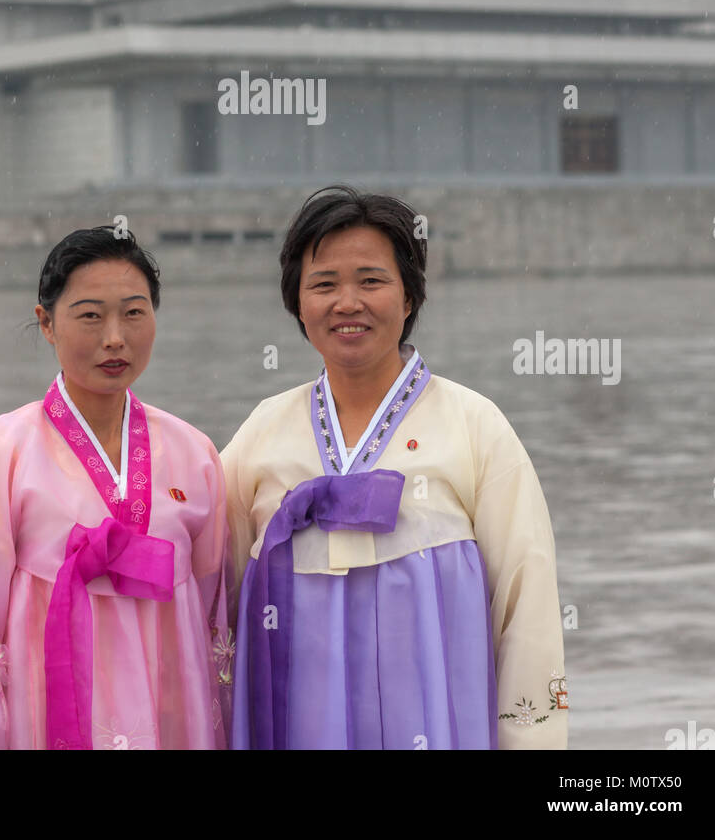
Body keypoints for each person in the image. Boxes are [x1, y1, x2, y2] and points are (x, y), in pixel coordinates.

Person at [220, 184, 567, 750]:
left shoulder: (475, 426)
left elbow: (526, 608)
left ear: (409, 298)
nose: (347, 302)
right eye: (324, 284)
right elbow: (211, 596)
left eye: (372, 280)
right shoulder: (262, 432)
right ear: (297, 303)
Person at [0, 225, 233, 750]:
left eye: (134, 313)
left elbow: (212, 615)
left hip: (168, 706)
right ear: (46, 323)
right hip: (42, 705)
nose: (115, 338)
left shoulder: (195, 454)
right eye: (90, 315)